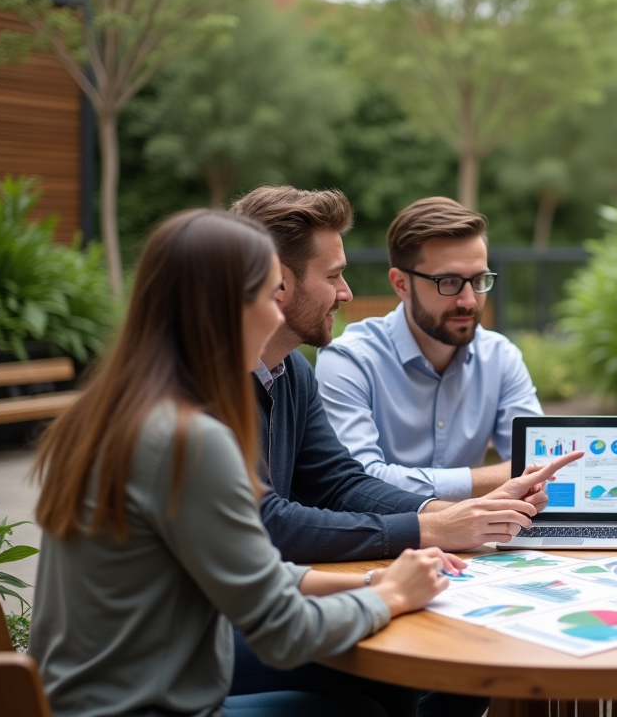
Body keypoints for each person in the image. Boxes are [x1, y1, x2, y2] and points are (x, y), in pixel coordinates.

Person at [27, 210, 460, 717]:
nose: (277, 316)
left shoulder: (109, 411)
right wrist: (388, 600)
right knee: (369, 703)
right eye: (267, 296)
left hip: (82, 702)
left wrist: (374, 582)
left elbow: (255, 573)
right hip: (147, 707)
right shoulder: (188, 440)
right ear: (225, 307)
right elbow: (283, 631)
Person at [228, 186, 580, 717]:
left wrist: (449, 516)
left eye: (477, 280)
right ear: (279, 282)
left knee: (408, 669)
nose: (346, 293)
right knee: (408, 663)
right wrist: (431, 532)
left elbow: (340, 482)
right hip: (196, 631)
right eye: (333, 276)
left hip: (258, 598)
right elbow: (265, 523)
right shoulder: (208, 387)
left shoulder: (289, 372)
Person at [316, 197, 542, 501]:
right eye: (448, 282)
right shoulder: (350, 360)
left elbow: (538, 465)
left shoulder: (500, 357)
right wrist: (499, 477)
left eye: (478, 280)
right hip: (383, 546)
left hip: (476, 542)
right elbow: (359, 481)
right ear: (401, 284)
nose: (469, 301)